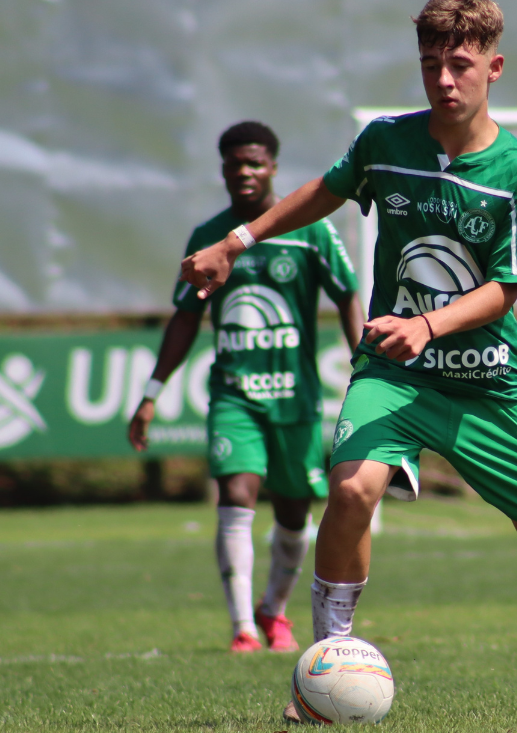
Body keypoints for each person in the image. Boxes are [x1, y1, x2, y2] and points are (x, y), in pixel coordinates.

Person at [180, 0, 517, 715]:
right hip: (394, 376)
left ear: (494, 68)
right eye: (431, 63)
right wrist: (234, 241)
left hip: (488, 384)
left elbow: (507, 288)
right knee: (348, 491)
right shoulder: (386, 142)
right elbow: (324, 191)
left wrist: (429, 327)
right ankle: (322, 672)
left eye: (460, 64)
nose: (443, 79)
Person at [129, 121, 364, 653]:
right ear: (223, 170)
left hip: (296, 398)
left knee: (294, 511)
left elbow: (348, 293)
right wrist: (150, 394)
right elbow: (185, 318)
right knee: (236, 493)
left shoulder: (310, 231)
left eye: (255, 163)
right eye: (235, 163)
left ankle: (272, 611)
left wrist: (363, 362)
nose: (244, 172)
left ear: (273, 167)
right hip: (235, 395)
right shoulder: (207, 239)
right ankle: (241, 626)